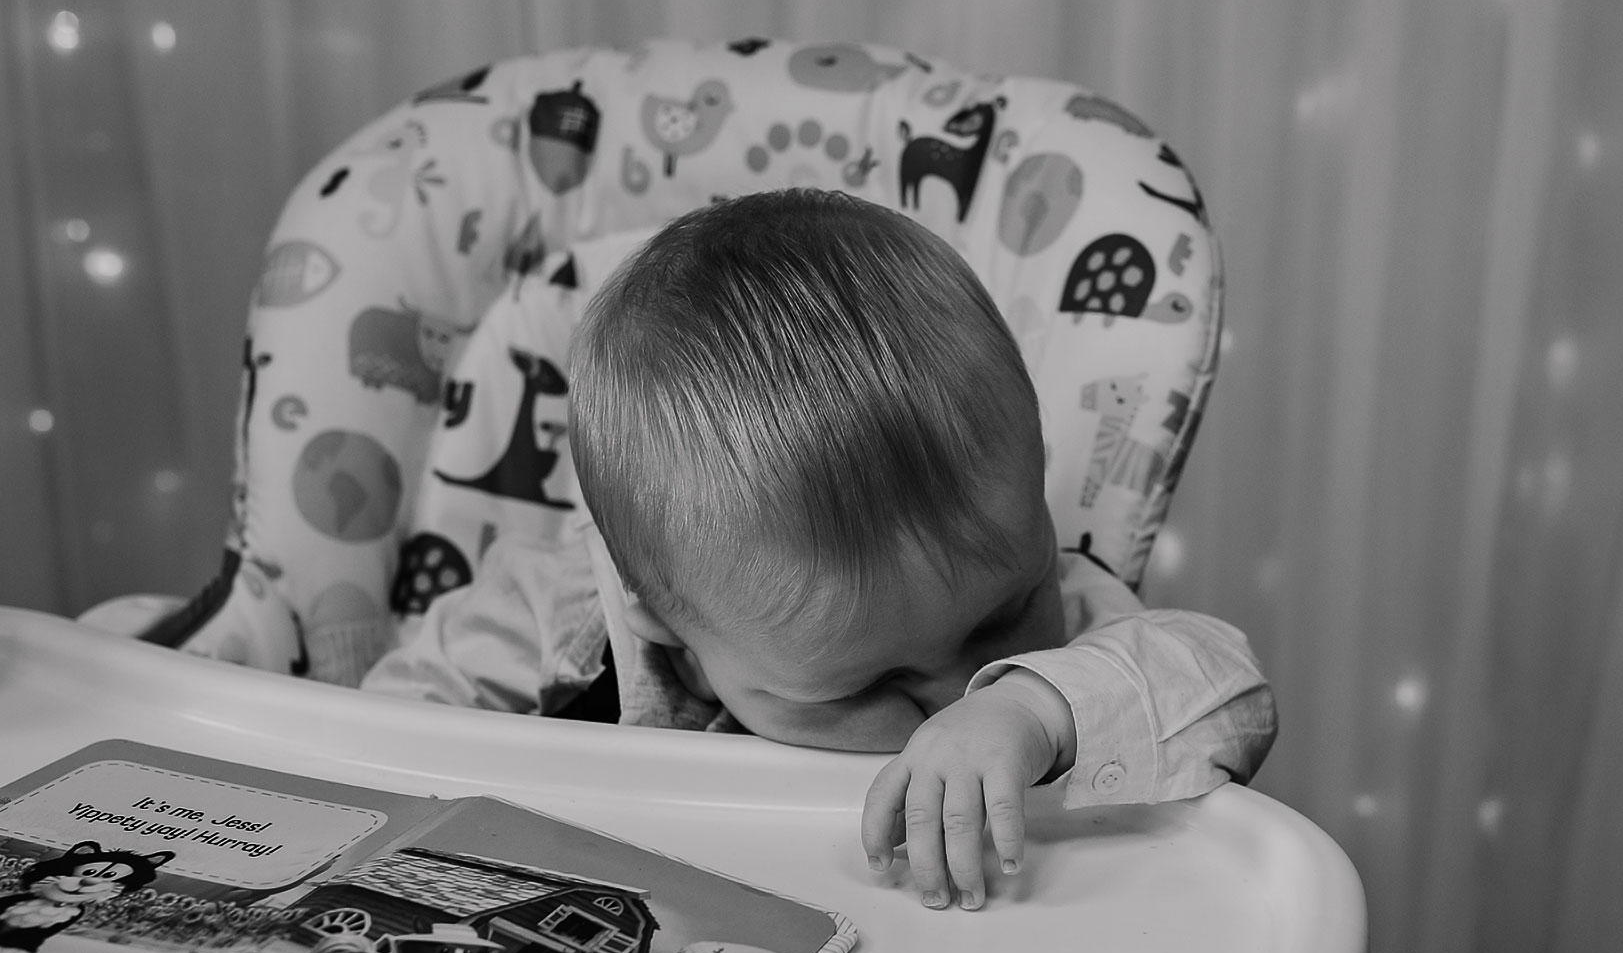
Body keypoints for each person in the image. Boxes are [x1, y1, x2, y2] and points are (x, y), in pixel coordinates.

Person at [363, 189, 1275, 911]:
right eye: (867, 687)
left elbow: (1227, 690)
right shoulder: (564, 617)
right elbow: (375, 742)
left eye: (1001, 616)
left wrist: (1035, 712)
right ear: (663, 617)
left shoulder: (1064, 631)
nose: (950, 702)